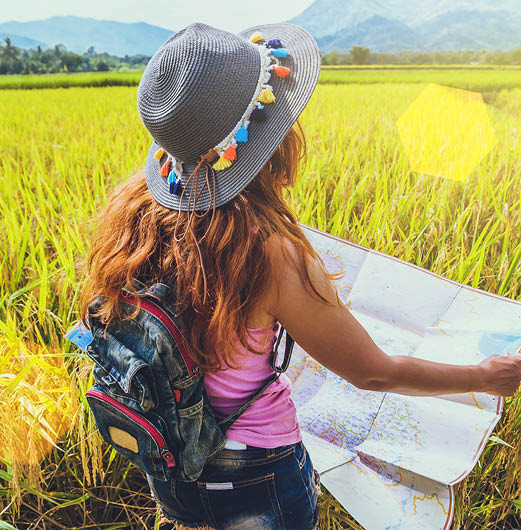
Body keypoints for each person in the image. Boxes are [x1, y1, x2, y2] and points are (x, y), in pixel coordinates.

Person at [80, 22, 521, 530]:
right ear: (268, 140)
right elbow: (371, 371)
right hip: (256, 478)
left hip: (173, 459)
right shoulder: (268, 252)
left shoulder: (136, 216)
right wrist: (484, 378)